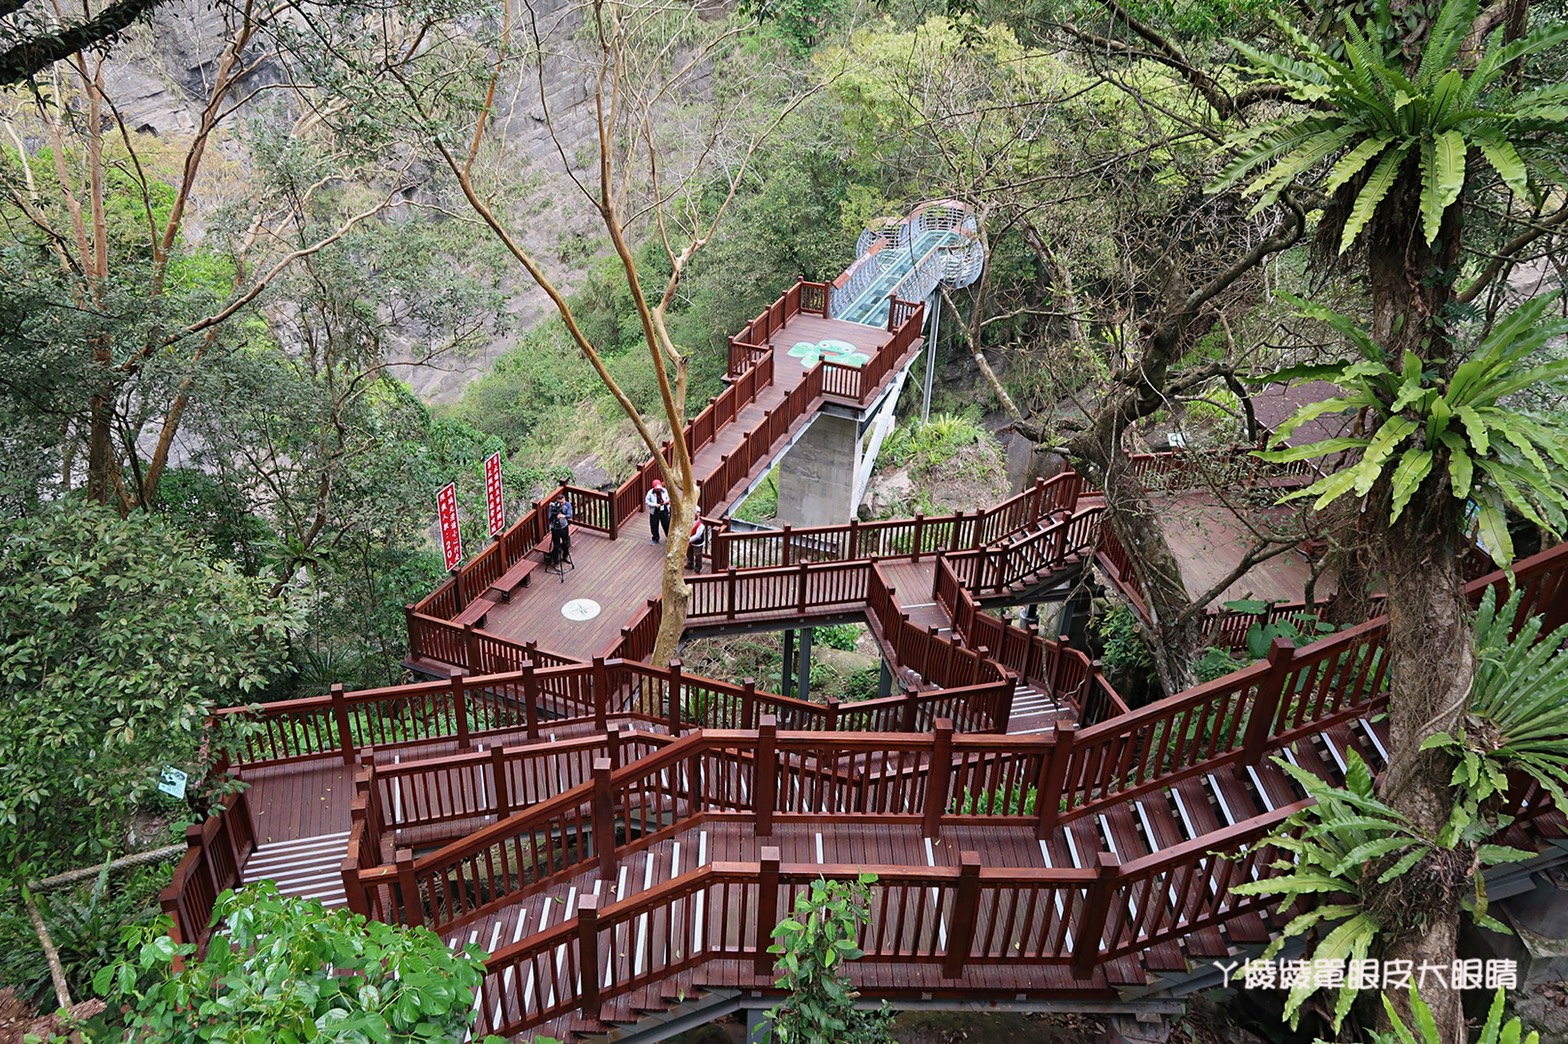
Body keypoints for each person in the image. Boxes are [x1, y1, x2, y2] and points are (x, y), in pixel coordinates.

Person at [547, 487, 573, 566]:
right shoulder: (554, 506)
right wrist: (553, 510)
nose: (561, 504)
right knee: (556, 544)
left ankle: (565, 556)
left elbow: (570, 515)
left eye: (562, 502)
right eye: (559, 502)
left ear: (564, 499)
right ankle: (556, 561)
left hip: (564, 526)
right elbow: (549, 517)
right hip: (555, 528)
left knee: (565, 542)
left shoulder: (567, 505)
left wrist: (563, 516)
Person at [645, 479, 671, 544]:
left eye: (659, 488)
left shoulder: (664, 491)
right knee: (654, 525)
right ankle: (655, 538)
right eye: (656, 489)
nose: (658, 490)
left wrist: (666, 502)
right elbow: (647, 501)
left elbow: (668, 498)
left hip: (663, 509)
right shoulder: (650, 493)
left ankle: (669, 537)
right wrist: (654, 505)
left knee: (666, 524)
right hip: (654, 511)